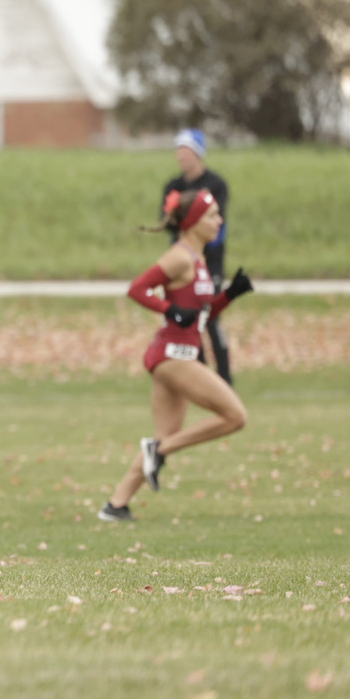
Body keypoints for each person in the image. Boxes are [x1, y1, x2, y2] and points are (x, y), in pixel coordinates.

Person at [101, 186, 253, 522]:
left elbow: (200, 316)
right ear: (195, 220)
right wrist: (168, 308)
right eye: (213, 216)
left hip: (179, 352)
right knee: (234, 416)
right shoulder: (179, 256)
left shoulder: (197, 260)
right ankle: (160, 451)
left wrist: (229, 296)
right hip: (171, 355)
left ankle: (116, 505)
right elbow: (137, 288)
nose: (219, 221)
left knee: (165, 434)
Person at [160, 129, 232, 385]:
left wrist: (201, 249)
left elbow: (218, 225)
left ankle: (225, 380)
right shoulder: (174, 186)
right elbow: (167, 221)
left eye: (186, 151)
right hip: (183, 263)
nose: (181, 156)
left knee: (210, 318)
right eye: (178, 151)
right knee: (189, 322)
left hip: (209, 262)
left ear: (198, 154)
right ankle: (200, 378)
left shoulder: (216, 184)